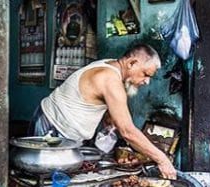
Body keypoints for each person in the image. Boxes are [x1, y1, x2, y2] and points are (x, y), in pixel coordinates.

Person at [30, 44, 178, 179]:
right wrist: (162, 159)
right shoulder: (110, 80)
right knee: (47, 183)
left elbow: (105, 109)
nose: (147, 81)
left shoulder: (112, 65)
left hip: (64, 130)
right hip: (52, 128)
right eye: (146, 74)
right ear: (131, 63)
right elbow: (127, 131)